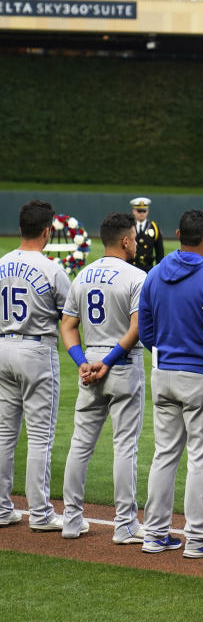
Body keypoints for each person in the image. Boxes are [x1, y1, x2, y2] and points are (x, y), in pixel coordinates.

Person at [139, 209, 203, 557]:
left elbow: (146, 331)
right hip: (202, 374)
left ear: (178, 234)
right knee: (201, 457)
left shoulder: (155, 274)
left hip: (163, 372)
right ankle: (199, 538)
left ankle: (155, 533)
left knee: (164, 454)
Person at [60, 212, 148, 543]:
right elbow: (136, 327)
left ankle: (71, 520)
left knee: (81, 444)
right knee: (124, 445)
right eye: (135, 238)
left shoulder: (83, 275)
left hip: (90, 364)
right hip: (121, 363)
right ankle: (125, 525)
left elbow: (67, 326)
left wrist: (83, 362)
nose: (137, 243)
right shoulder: (136, 276)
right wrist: (109, 361)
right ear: (124, 240)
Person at [0, 201, 72, 531]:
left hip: (2, 347)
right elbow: (71, 316)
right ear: (46, 232)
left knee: (4, 434)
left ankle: (2, 508)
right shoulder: (51, 268)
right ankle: (41, 513)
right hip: (35, 351)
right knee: (40, 436)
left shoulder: (1, 264)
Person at [130, 197, 164, 273]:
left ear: (148, 211)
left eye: (144, 211)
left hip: (148, 270)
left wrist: (159, 271)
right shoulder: (129, 226)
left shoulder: (154, 227)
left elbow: (160, 252)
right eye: (139, 211)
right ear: (133, 211)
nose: (142, 213)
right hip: (131, 268)